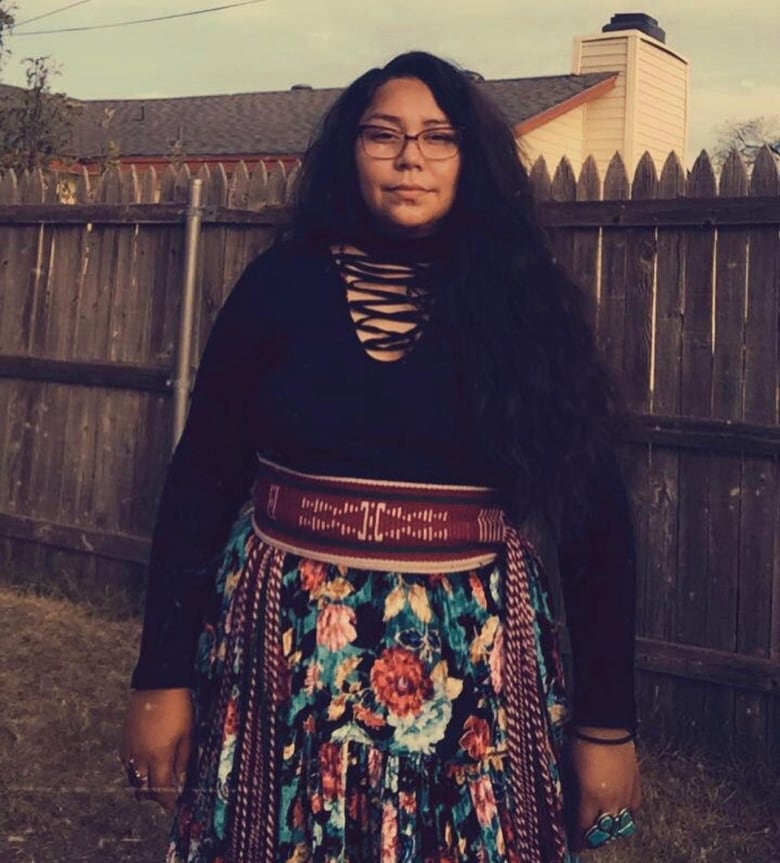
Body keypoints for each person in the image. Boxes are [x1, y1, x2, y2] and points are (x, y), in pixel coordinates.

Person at [120, 51, 641, 863]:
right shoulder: (278, 285)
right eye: (383, 136)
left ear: (471, 159)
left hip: (475, 684)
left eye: (439, 138)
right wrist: (160, 676)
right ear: (348, 153)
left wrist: (606, 728)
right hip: (283, 663)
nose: (410, 158)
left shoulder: (524, 301)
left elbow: (596, 520)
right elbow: (199, 480)